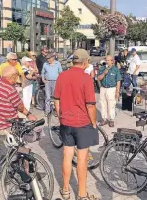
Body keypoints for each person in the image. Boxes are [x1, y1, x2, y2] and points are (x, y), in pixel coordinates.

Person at [53, 49, 99, 200]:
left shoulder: (62, 76)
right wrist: (93, 122)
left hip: (66, 122)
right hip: (82, 123)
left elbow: (56, 100)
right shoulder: (86, 78)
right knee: (82, 159)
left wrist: (61, 116)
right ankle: (82, 194)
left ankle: (65, 190)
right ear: (85, 62)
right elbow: (91, 105)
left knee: (66, 155)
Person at [0, 66, 36, 135]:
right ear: (13, 76)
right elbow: (21, 108)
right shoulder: (10, 90)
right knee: (26, 120)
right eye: (17, 76)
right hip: (5, 125)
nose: (17, 79)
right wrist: (30, 115)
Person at [97, 55, 122, 127]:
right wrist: (104, 73)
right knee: (103, 104)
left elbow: (118, 81)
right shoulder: (102, 68)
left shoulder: (115, 69)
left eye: (109, 60)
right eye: (106, 60)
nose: (107, 62)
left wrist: (117, 91)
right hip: (103, 88)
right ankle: (104, 119)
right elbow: (98, 78)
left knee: (111, 104)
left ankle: (111, 120)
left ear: (112, 61)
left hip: (112, 89)